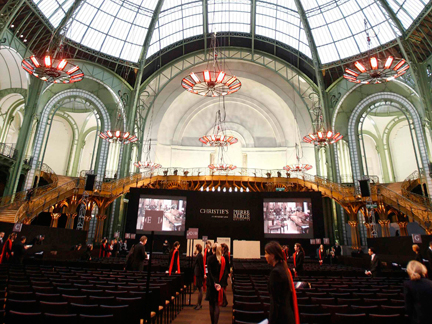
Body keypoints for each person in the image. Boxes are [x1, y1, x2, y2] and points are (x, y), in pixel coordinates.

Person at [265, 241, 300, 324]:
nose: (265, 256)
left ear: (272, 256)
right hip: (287, 316)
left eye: (266, 253)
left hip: (281, 318)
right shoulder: (284, 269)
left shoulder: (276, 273)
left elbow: (275, 303)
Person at [206, 244, 227, 324]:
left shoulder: (209, 258)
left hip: (211, 284)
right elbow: (224, 273)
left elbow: (209, 273)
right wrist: (219, 283)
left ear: (212, 249)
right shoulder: (222, 259)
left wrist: (214, 282)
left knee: (211, 304)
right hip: (219, 285)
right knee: (217, 305)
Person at [193, 244, 204, 310]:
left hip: (199, 274)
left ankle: (199, 304)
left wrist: (202, 275)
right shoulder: (199, 255)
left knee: (200, 289)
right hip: (199, 274)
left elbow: (200, 266)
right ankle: (198, 304)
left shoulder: (199, 256)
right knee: (199, 289)